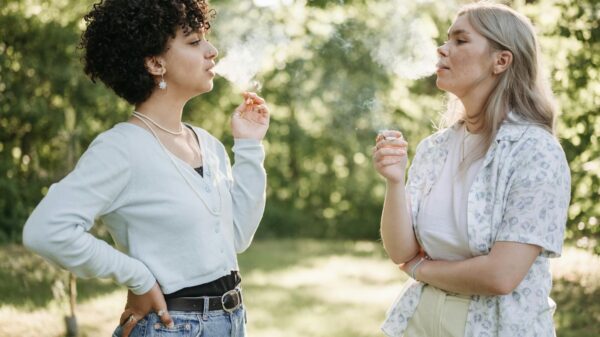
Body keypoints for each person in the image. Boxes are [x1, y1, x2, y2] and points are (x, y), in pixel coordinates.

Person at [22, 0, 269, 336]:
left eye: (205, 39)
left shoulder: (208, 144)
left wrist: (250, 146)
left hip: (233, 320)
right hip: (172, 326)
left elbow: (238, 237)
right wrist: (137, 277)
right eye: (194, 42)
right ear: (155, 63)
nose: (211, 51)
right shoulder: (121, 149)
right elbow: (46, 230)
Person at [372, 2, 570, 337]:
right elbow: (400, 251)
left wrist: (420, 268)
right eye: (447, 39)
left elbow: (500, 276)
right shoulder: (434, 148)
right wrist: (394, 181)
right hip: (417, 323)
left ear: (501, 61)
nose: (442, 49)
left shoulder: (535, 151)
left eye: (460, 41)